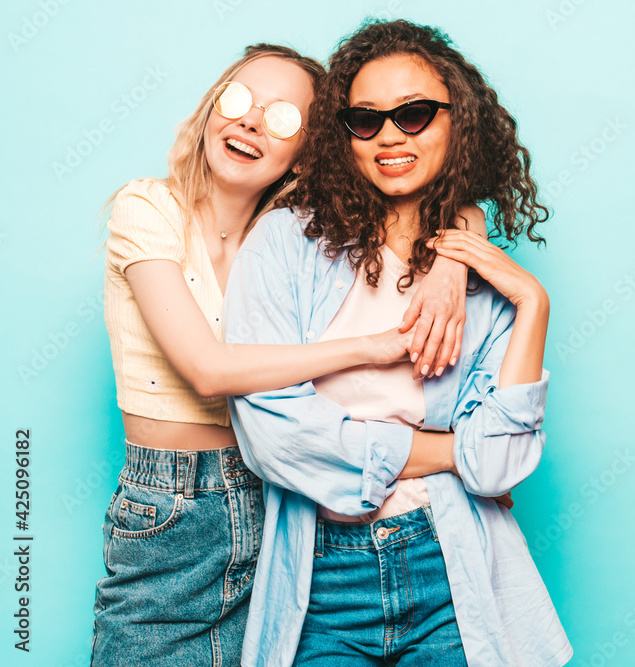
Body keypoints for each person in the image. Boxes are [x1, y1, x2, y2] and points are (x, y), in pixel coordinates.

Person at [93, 42, 473, 667]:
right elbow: (209, 372)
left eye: (282, 119)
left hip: (279, 503)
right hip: (172, 508)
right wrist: (368, 348)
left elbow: (441, 203)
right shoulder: (148, 208)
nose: (249, 122)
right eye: (239, 100)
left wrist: (454, 260)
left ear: (307, 154)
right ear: (211, 108)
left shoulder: (294, 240)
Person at [225, 20, 572, 667]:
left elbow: (496, 466)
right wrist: (445, 450)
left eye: (414, 114)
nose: (390, 135)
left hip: (450, 562)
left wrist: (533, 303)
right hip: (320, 578)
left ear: (456, 122)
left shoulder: (480, 282)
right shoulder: (283, 243)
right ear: (342, 134)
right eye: (366, 119)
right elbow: (275, 436)